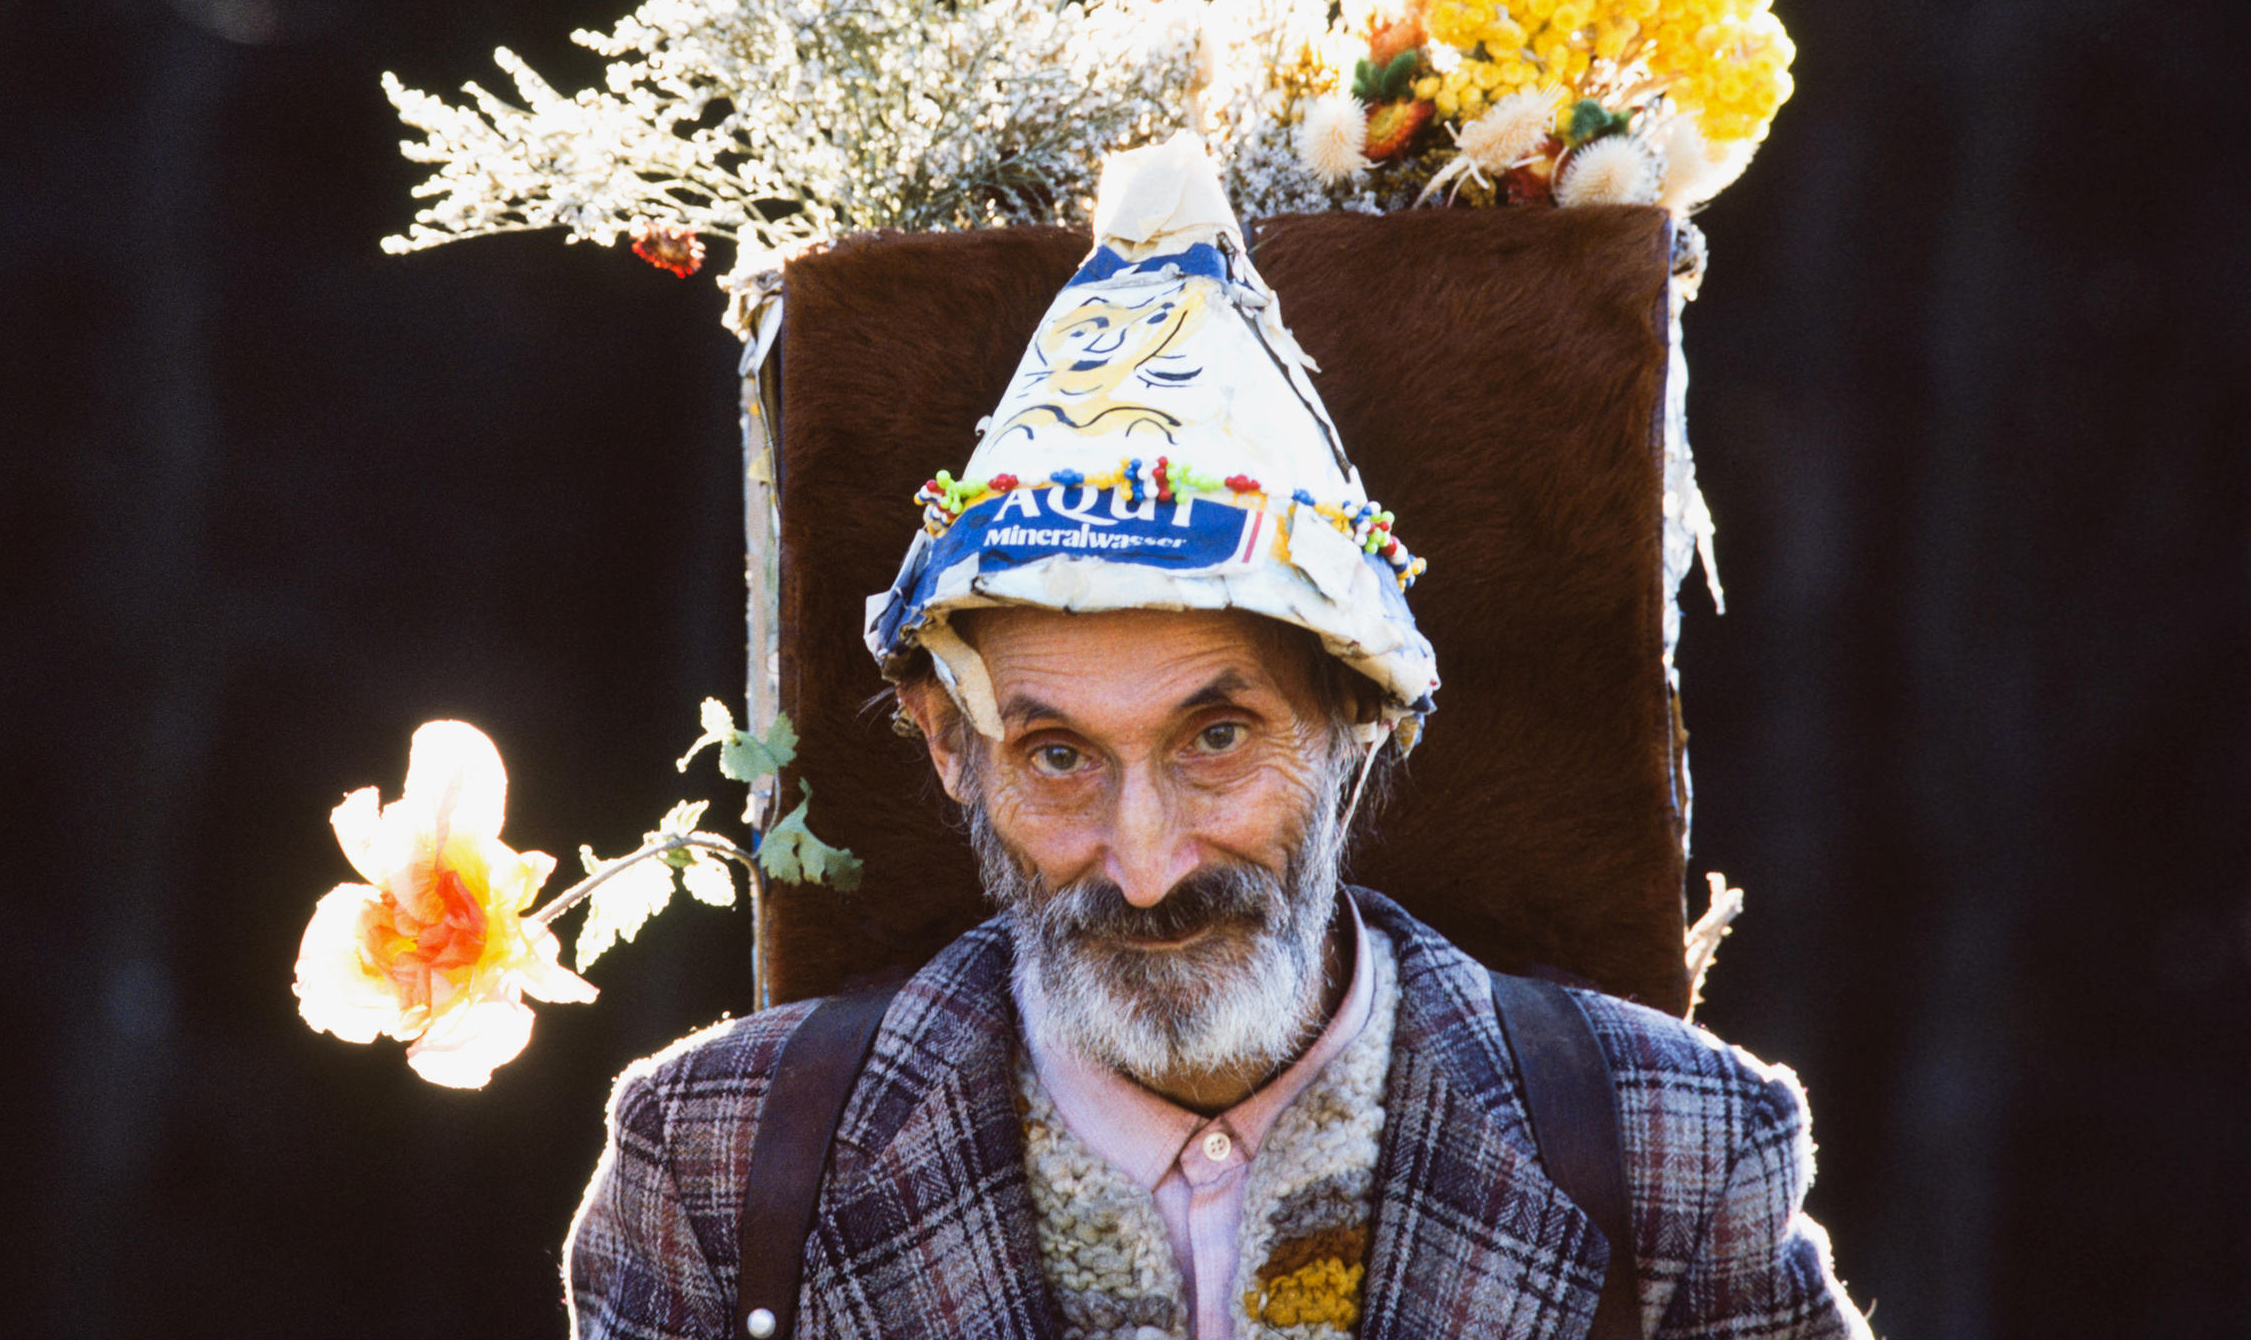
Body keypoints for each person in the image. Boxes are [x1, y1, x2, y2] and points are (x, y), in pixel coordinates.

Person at [565, 137, 1871, 1339]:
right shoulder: (717, 1170)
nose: (1144, 864)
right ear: (947, 747)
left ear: (1356, 718)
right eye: (1057, 756)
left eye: (1217, 737)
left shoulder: (1677, 1155)